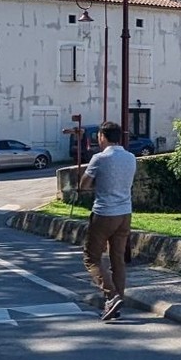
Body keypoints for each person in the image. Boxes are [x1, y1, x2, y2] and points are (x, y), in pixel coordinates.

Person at [79, 121, 136, 322]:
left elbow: (84, 185)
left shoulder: (99, 158)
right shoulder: (131, 157)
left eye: (99, 136)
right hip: (125, 213)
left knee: (91, 257)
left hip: (104, 213)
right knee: (117, 259)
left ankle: (111, 296)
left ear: (102, 136)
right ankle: (117, 301)